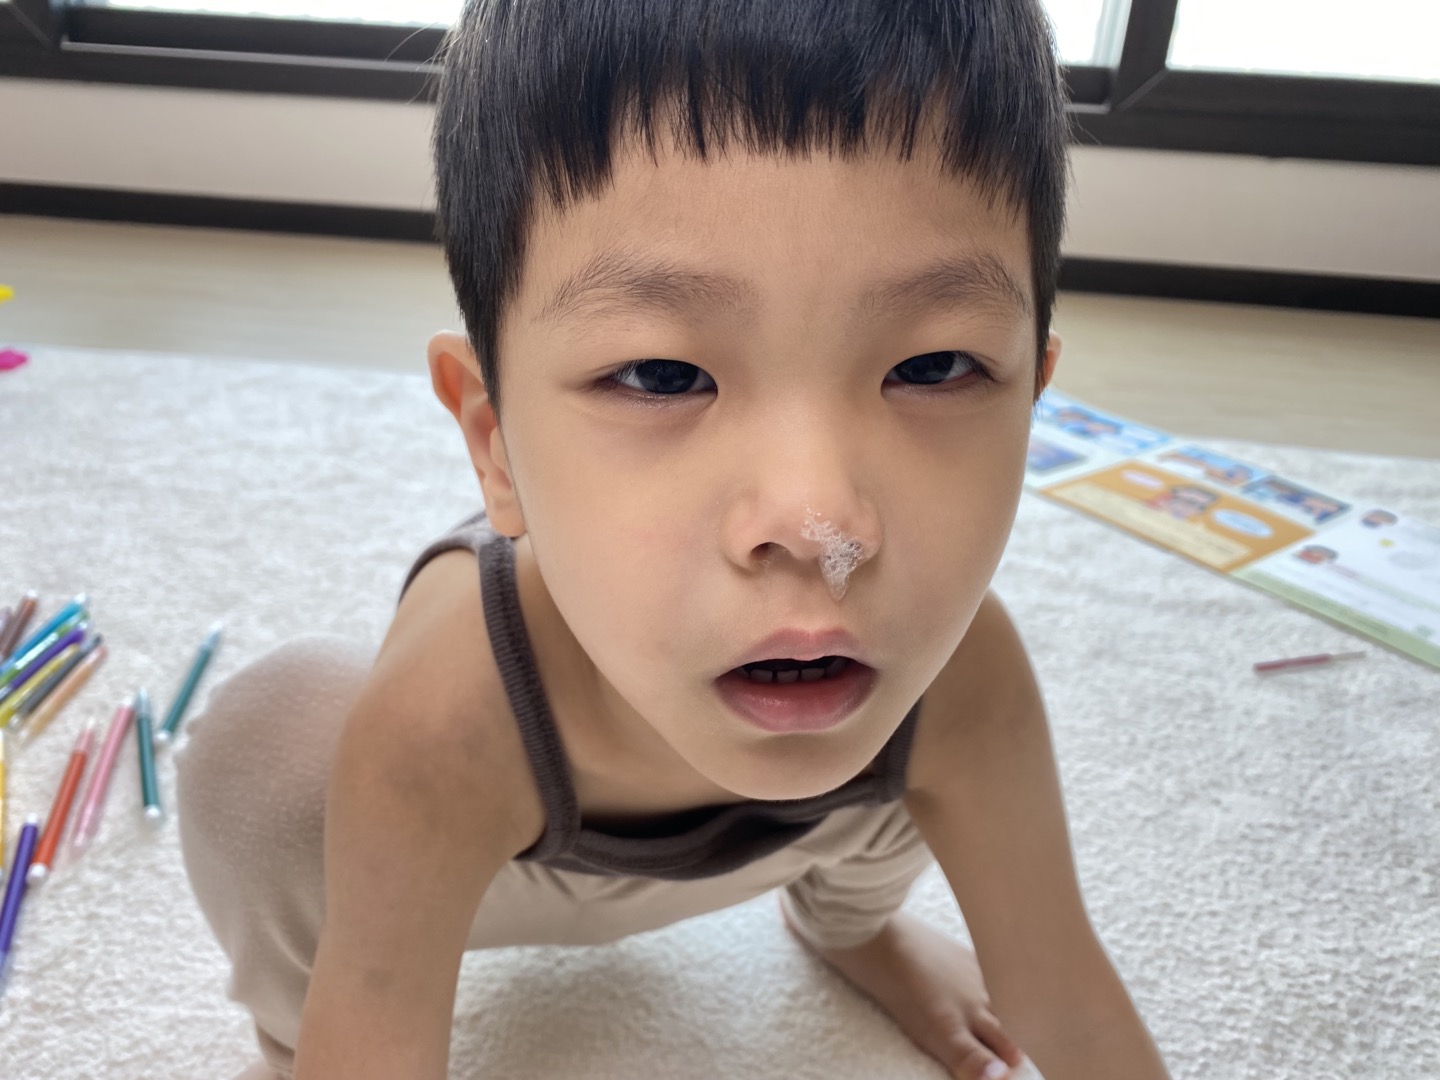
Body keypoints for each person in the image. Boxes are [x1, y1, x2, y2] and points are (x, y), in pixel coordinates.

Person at [174, 2, 1172, 1079]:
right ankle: (291, 1021)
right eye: (662, 375)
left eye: (932, 368)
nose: (817, 525)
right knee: (268, 762)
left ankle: (849, 926)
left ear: (1033, 394)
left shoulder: (963, 671)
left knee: (941, 732)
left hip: (824, 825)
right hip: (497, 854)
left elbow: (1063, 992)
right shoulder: (443, 725)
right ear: (496, 443)